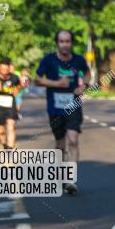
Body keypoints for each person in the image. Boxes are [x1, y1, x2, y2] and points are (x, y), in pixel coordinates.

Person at [35, 30, 89, 196]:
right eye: (61, 41)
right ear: (57, 43)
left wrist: (84, 86)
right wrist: (56, 83)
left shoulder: (79, 60)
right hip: (55, 108)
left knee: (73, 139)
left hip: (73, 105)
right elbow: (37, 79)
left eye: (67, 41)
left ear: (71, 43)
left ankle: (71, 179)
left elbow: (87, 73)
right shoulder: (49, 60)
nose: (65, 44)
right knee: (60, 144)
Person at [0, 57, 22, 150]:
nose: (4, 72)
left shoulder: (14, 77)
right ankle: (5, 145)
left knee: (11, 126)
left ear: (9, 68)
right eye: (2, 69)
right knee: (1, 131)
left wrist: (17, 89)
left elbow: (19, 86)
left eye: (6, 70)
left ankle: (10, 148)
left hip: (11, 106)